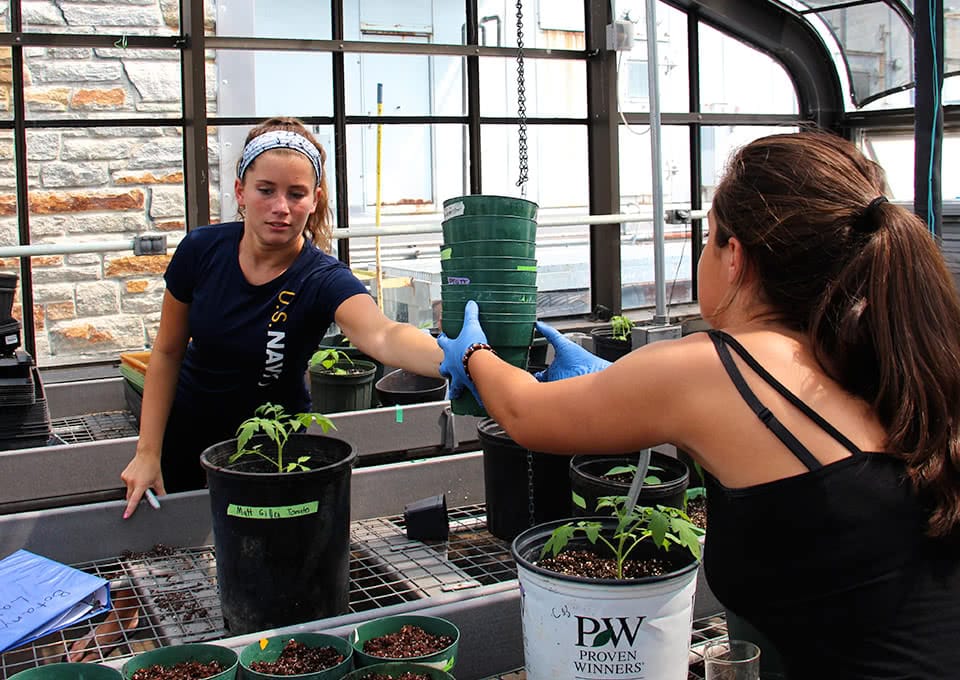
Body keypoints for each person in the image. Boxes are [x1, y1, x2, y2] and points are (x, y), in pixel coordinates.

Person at [438, 131, 960, 678]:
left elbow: (525, 414)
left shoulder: (717, 366)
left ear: (735, 256)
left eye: (708, 237)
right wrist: (617, 383)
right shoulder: (881, 357)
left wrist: (471, 348)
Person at [122, 116, 443, 518]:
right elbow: (167, 352)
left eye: (296, 194)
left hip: (274, 450)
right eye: (266, 190)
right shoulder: (201, 251)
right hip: (187, 437)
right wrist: (147, 451)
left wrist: (463, 358)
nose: (281, 208)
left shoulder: (321, 278)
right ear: (240, 192)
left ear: (315, 198)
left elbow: (383, 335)